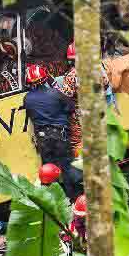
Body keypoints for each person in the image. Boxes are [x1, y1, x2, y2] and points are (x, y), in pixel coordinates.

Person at [23, 64, 82, 200]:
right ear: (45, 78)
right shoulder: (55, 93)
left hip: (43, 139)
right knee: (68, 167)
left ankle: (55, 201)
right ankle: (74, 199)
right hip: (60, 136)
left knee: (49, 171)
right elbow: (70, 107)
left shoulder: (27, 99)